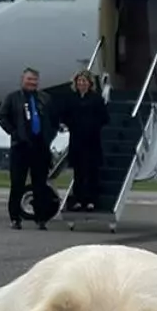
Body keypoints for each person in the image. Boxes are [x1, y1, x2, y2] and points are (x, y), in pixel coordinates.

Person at [0, 67, 61, 230]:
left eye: (34, 80)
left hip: (40, 147)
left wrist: (49, 136)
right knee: (17, 184)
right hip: (21, 147)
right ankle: (15, 218)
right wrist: (14, 133)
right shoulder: (13, 98)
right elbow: (2, 117)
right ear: (22, 80)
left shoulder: (45, 99)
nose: (32, 83)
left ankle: (41, 218)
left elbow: (54, 120)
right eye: (29, 79)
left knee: (40, 185)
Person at [60, 70, 109, 211]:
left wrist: (92, 125)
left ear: (90, 83)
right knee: (79, 172)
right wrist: (72, 124)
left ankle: (91, 200)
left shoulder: (96, 99)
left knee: (92, 172)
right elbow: (65, 115)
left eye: (84, 81)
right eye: (79, 81)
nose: (81, 83)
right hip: (77, 140)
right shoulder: (71, 99)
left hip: (92, 139)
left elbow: (104, 118)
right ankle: (78, 200)